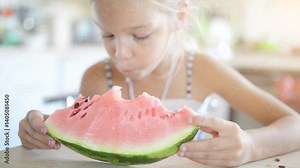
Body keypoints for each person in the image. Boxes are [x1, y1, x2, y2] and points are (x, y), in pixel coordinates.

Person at [18, 0, 300, 167]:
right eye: (108, 35)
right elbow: (82, 139)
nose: (120, 53)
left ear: (178, 18)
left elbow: (294, 125)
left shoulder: (202, 70)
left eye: (140, 36)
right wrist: (41, 131)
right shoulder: (95, 77)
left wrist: (250, 145)